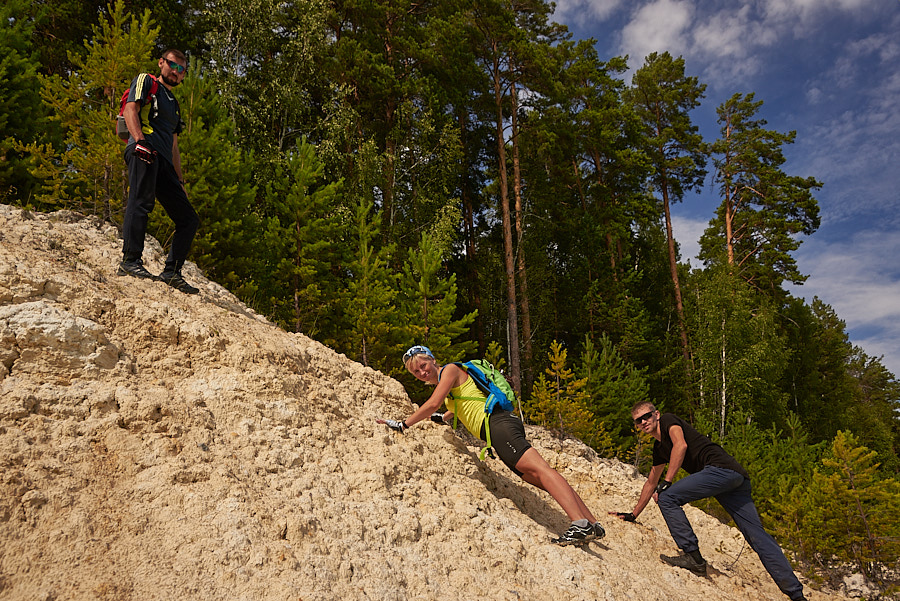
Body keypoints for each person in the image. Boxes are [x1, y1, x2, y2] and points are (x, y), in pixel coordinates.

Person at [378, 345, 605, 546]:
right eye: (415, 371)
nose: (421, 372)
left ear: (432, 359)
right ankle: (591, 523)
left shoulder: (450, 370)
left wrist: (403, 424)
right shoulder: (452, 387)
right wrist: (438, 418)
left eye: (423, 365)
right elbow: (453, 408)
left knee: (542, 471)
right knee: (539, 476)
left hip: (498, 425)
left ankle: (579, 523)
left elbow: (433, 403)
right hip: (497, 431)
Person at [610, 402, 807, 601]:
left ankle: (694, 558)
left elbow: (681, 445)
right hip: (735, 477)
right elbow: (651, 482)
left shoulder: (669, 420)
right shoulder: (659, 449)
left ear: (657, 414)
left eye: (647, 416)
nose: (644, 421)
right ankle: (797, 595)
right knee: (757, 537)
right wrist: (633, 514)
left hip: (720, 470)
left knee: (668, 497)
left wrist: (668, 482)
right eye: (639, 420)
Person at [118, 49, 200, 295]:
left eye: (181, 69)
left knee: (188, 219)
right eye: (173, 65)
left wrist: (180, 179)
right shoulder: (147, 81)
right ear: (161, 63)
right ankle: (130, 261)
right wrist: (139, 140)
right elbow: (131, 108)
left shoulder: (174, 104)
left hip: (164, 160)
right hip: (144, 148)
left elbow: (174, 144)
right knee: (141, 202)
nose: (176, 72)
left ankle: (172, 272)